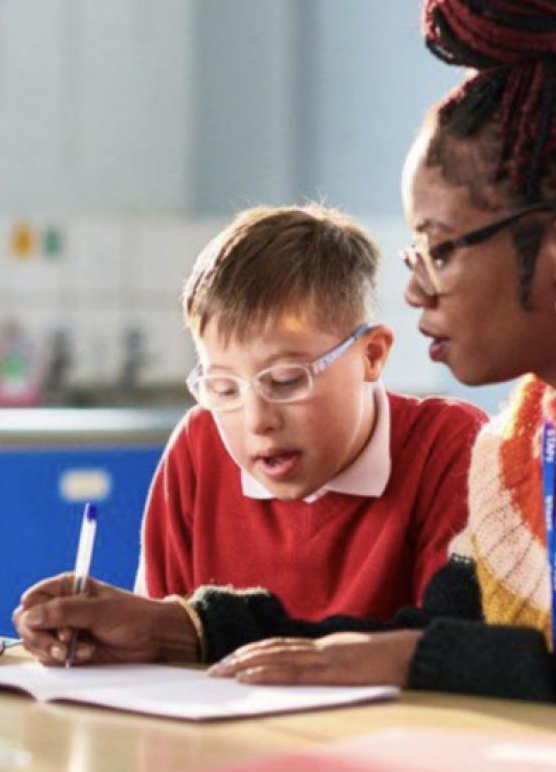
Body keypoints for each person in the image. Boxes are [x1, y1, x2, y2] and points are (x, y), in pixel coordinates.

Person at [13, 0, 556, 735]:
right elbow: (416, 637)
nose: (415, 290)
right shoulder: (525, 434)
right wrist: (181, 630)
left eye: (439, 249)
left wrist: (411, 663)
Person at [132, 204, 487, 622]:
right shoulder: (199, 445)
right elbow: (157, 638)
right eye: (224, 388)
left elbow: (448, 648)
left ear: (370, 355)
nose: (255, 421)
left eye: (285, 381)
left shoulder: (448, 446)